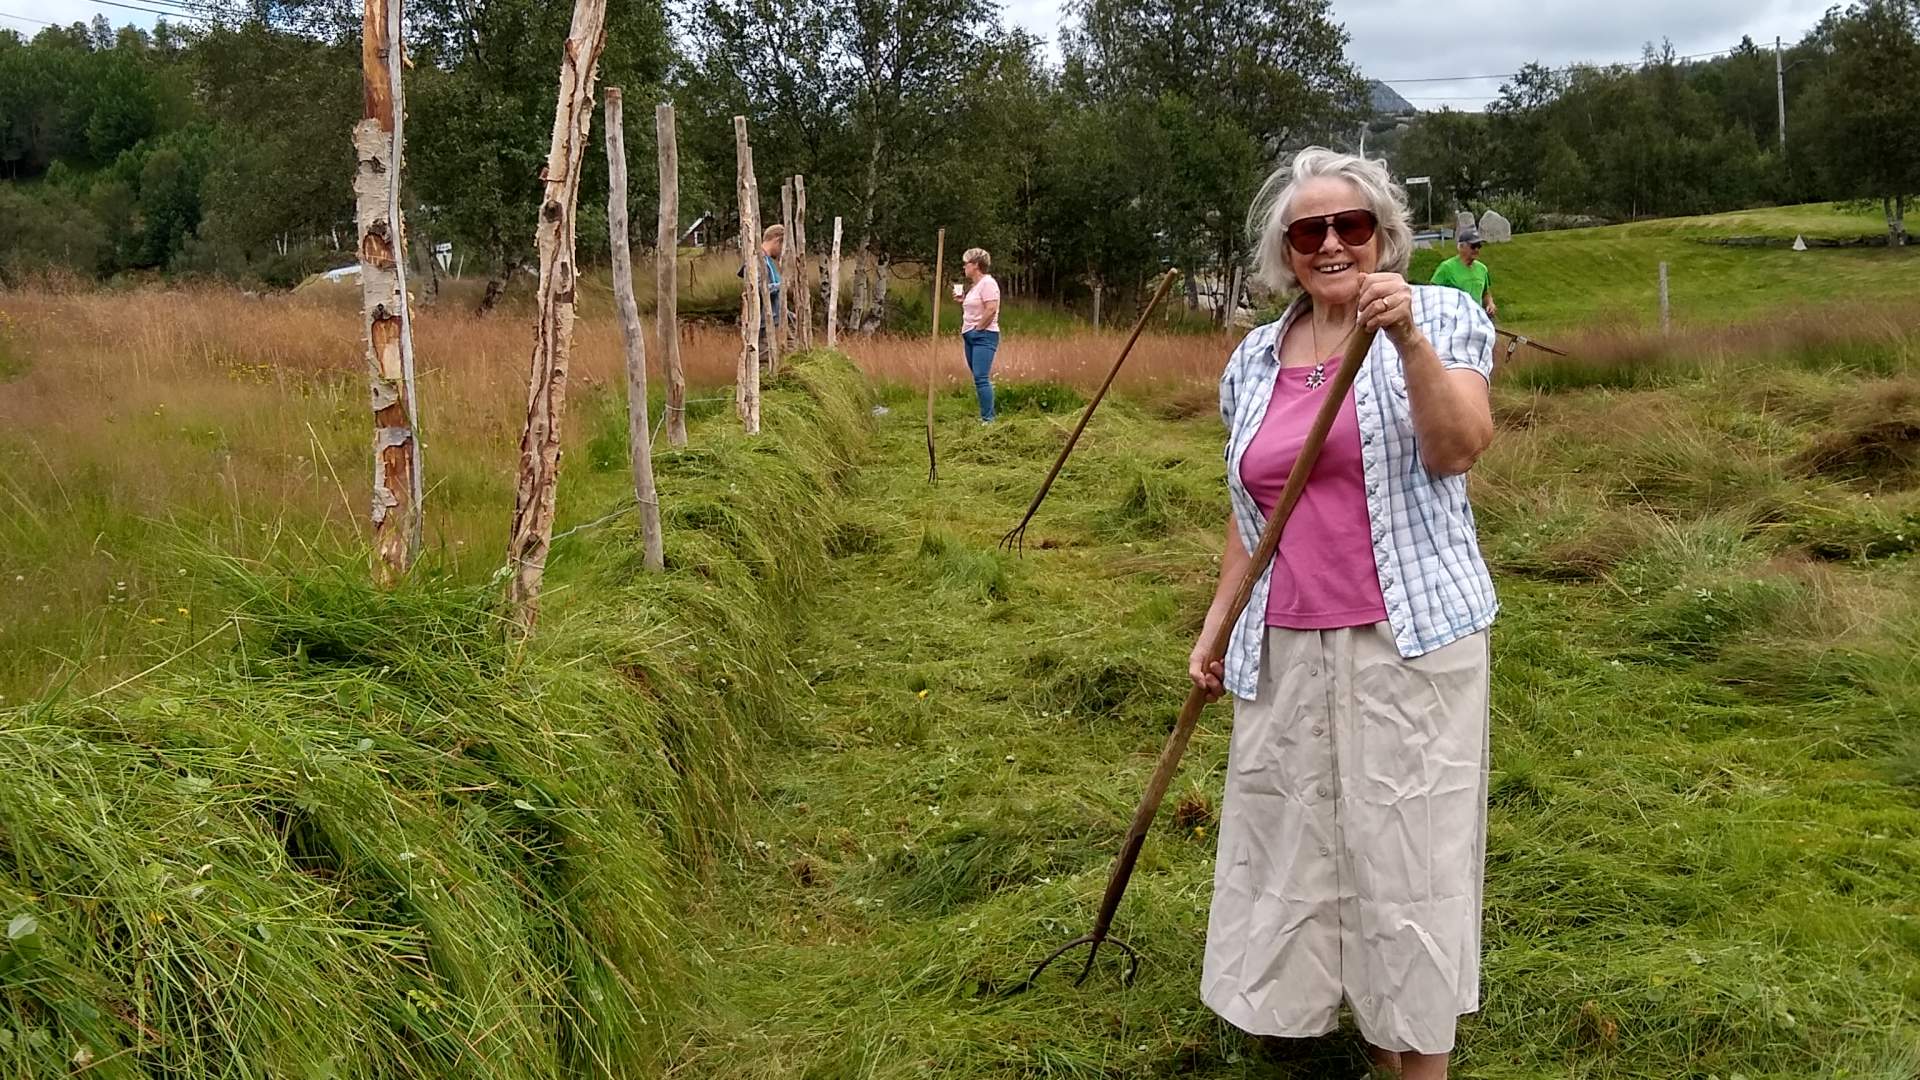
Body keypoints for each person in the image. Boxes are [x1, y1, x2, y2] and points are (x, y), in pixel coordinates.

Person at [1189, 147, 1498, 1080]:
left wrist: (1407, 343)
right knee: (1308, 849)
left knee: (1408, 858)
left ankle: (1419, 1065)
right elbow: (1251, 513)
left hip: (1409, 644)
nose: (1330, 244)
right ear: (1285, 253)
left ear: (1383, 236)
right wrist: (1217, 621)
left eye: (1349, 225)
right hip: (1284, 644)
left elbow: (1458, 447)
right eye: (1308, 232)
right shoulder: (1253, 359)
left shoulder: (1441, 314)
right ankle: (1355, 1033)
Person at [957, 247, 1001, 422]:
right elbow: (977, 307)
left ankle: (988, 419)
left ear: (975, 265)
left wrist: (978, 329)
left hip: (983, 335)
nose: (964, 267)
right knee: (978, 377)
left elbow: (991, 309)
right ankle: (986, 414)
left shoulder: (988, 283)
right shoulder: (975, 287)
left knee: (981, 377)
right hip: (970, 335)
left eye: (966, 263)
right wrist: (962, 300)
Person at [737, 224, 784, 362]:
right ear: (777, 240)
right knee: (764, 359)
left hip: (773, 318)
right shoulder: (758, 260)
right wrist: (782, 286)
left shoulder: (767, 260)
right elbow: (755, 289)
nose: (781, 251)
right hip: (762, 321)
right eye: (782, 246)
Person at [1429, 225, 1497, 320]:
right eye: (1473, 246)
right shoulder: (1446, 267)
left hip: (1477, 320)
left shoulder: (1482, 269)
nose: (1477, 250)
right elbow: (1432, 293)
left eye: (1479, 246)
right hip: (1453, 320)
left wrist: (1490, 304)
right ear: (1461, 247)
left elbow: (1485, 293)